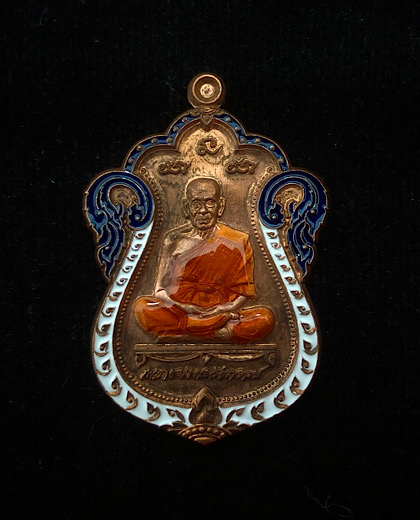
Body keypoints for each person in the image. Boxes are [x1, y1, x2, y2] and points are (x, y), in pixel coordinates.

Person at [134, 177, 274, 343]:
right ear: (186, 207)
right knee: (142, 307)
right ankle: (216, 334)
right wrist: (184, 307)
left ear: (220, 206)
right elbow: (159, 290)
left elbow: (243, 293)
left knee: (265, 318)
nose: (203, 211)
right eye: (196, 204)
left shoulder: (237, 240)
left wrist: (221, 310)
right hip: (182, 311)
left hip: (222, 312)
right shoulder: (173, 240)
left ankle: (184, 334)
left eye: (210, 203)